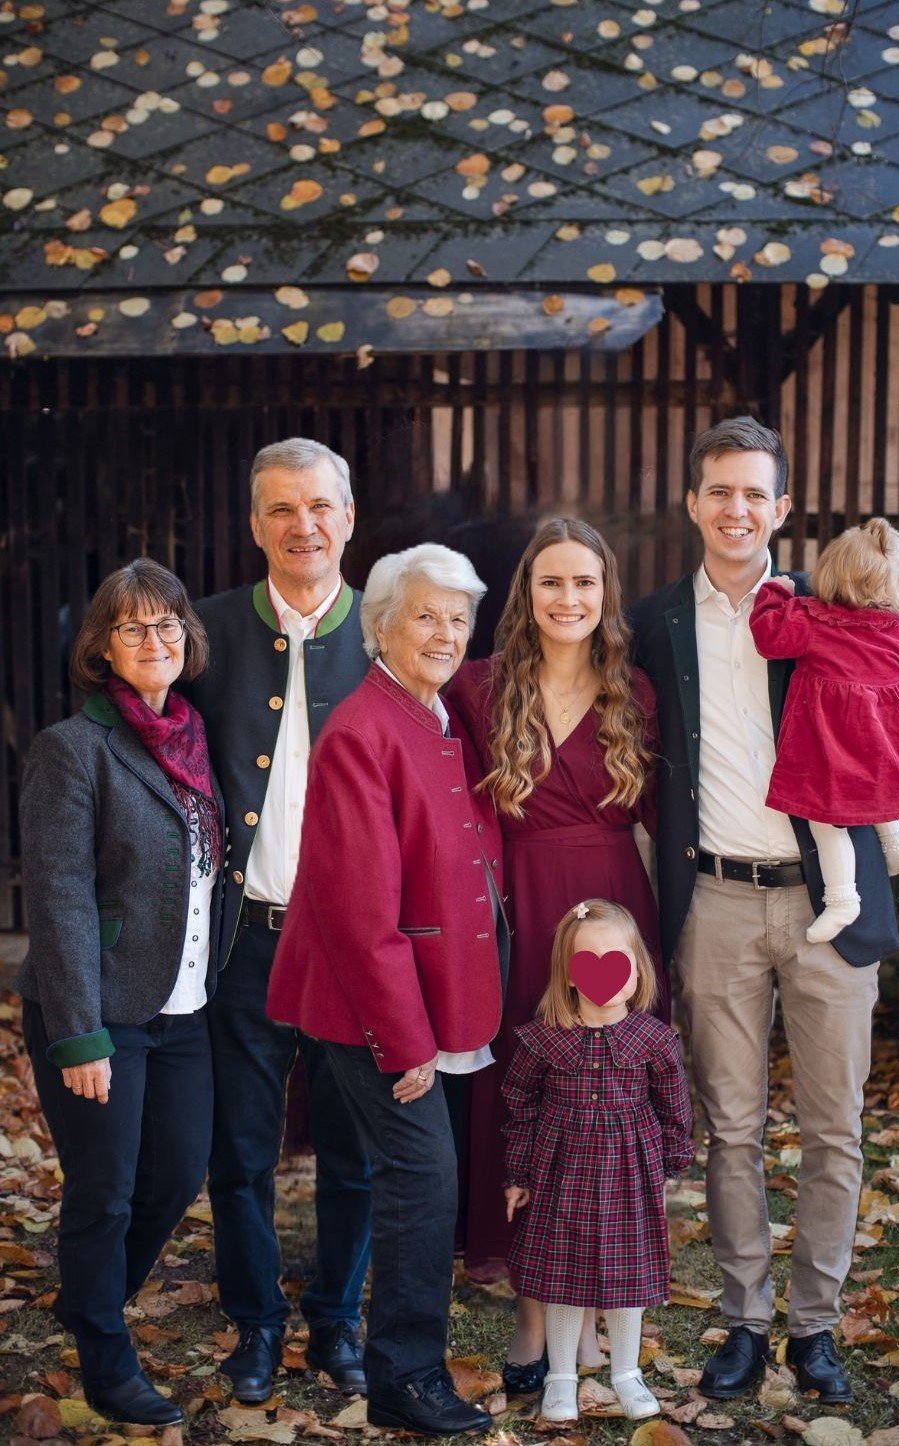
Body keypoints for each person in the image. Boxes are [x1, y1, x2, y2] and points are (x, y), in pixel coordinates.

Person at [631, 416, 899, 1406]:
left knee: (834, 1130)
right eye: (718, 490)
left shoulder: (827, 607)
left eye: (754, 492)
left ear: (780, 508)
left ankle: (815, 1328)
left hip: (829, 901)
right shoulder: (656, 619)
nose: (735, 508)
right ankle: (744, 1323)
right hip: (712, 902)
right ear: (692, 502)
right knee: (729, 1127)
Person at [266, 544, 508, 1437]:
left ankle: (392, 1361)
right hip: (369, 1007)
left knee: (409, 1178)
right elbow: (359, 911)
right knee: (422, 1178)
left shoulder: (439, 712)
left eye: (458, 617)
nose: (446, 634)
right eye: (426, 616)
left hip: (422, 996)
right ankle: (404, 1379)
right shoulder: (361, 730)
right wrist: (406, 1042)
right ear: (382, 625)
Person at [446, 516, 666, 1391]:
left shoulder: (637, 693)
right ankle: (532, 1330)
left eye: (584, 583)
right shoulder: (476, 689)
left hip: (614, 917)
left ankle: (601, 1327)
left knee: (600, 1121)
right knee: (525, 1109)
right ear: (525, 594)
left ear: (605, 593)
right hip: (515, 918)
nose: (568, 599)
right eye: (551, 582)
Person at [182, 439, 371, 1403]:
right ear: (255, 525)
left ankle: (338, 1323)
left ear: (349, 517)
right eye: (282, 510)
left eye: (321, 508)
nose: (304, 526)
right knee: (241, 1151)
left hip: (353, 947)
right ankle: (255, 1325)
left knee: (351, 1152)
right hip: (246, 941)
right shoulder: (204, 633)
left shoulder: (388, 633)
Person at [17, 559, 223, 1428]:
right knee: (102, 1190)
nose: (155, 641)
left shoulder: (197, 736)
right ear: (101, 646)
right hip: (101, 1007)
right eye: (133, 628)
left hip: (185, 1004)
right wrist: (80, 1033)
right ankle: (105, 1353)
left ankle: (88, 1296)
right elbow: (58, 892)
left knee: (175, 1174)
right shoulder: (74, 749)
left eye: (168, 624)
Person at [503, 899, 693, 1424]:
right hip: (560, 1172)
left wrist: (669, 1162)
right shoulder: (543, 1039)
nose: (604, 970)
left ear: (637, 971)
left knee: (626, 1275)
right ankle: (561, 1377)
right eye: (587, 959)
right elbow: (519, 1108)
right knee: (562, 1274)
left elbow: (673, 1105)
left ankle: (626, 1372)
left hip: (629, 1172)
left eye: (616, 958)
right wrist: (518, 1175)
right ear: (567, 973)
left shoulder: (652, 1040)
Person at [749, 518, 899, 943]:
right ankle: (896, 839)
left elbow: (768, 636)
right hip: (882, 743)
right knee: (880, 785)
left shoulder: (812, 623)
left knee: (826, 822)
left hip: (830, 748)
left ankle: (843, 899)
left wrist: (777, 591)